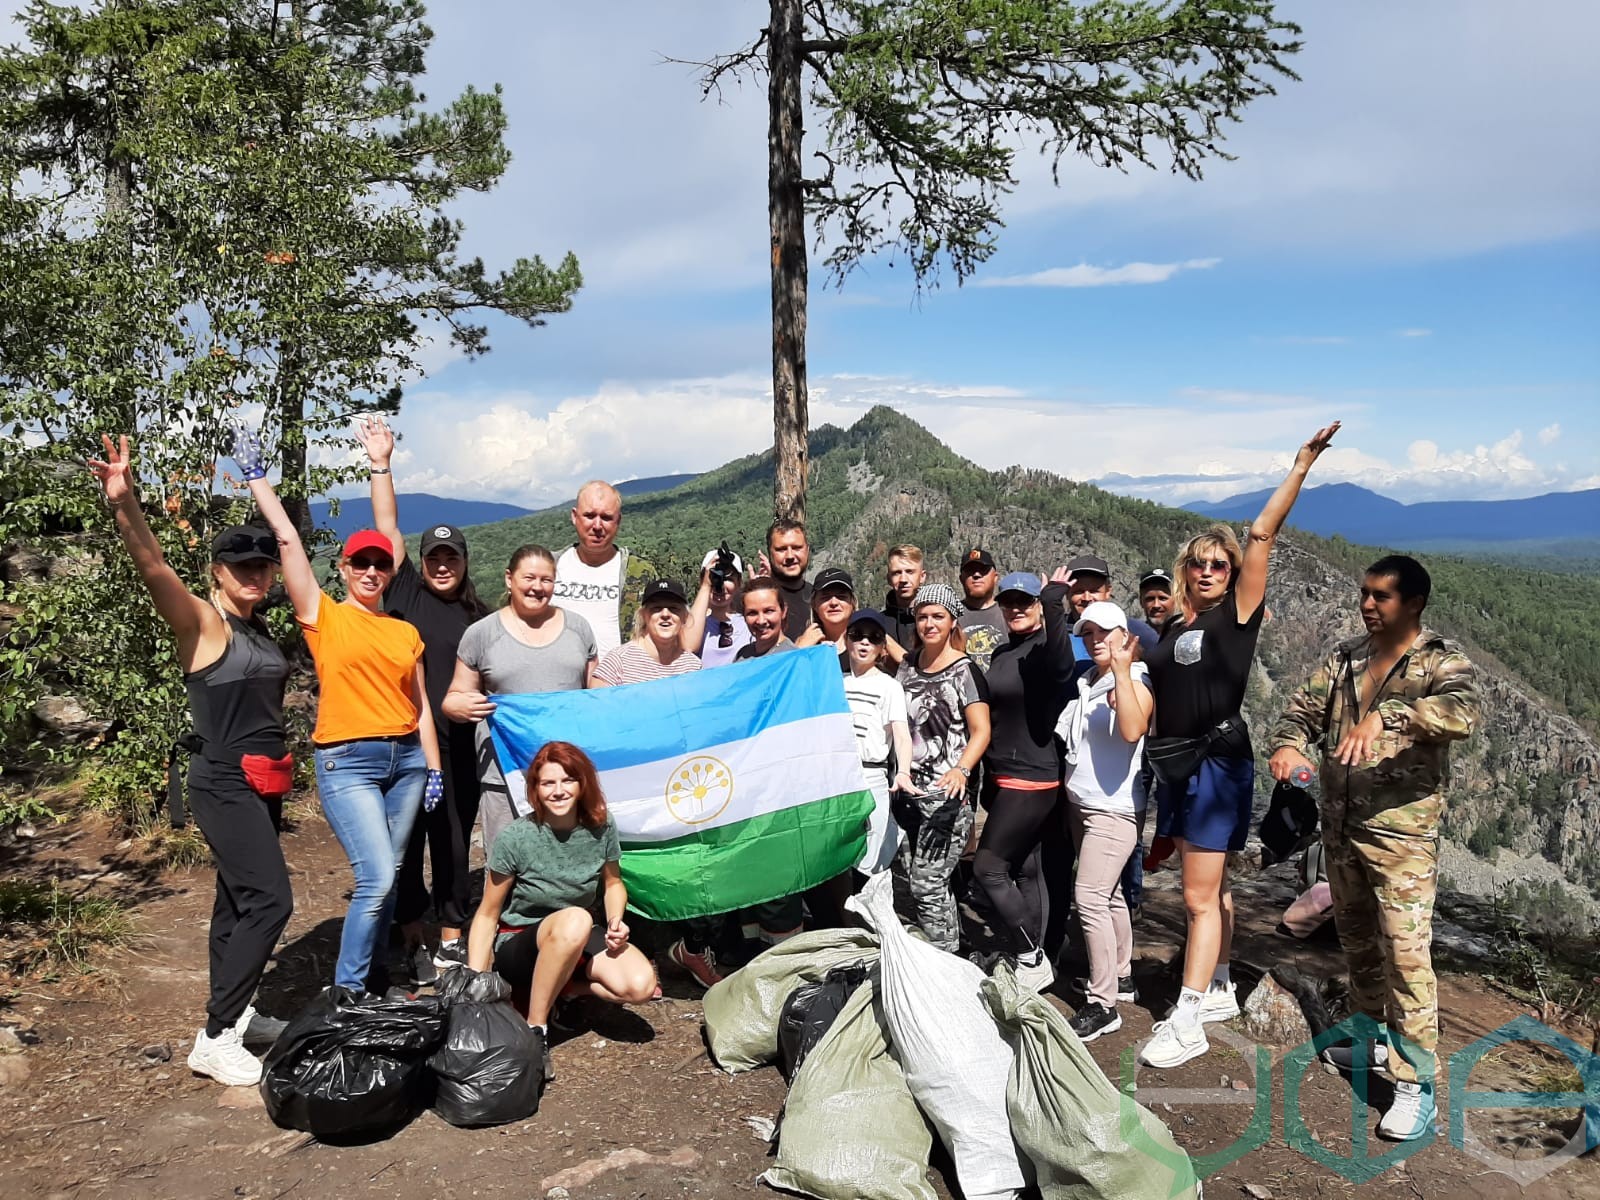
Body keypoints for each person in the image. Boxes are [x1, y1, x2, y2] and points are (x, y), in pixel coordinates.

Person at [89, 436, 292, 1087]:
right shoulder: (203, 622)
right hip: (223, 778)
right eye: (241, 566)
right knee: (271, 900)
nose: (255, 574)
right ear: (216, 572)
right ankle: (214, 1037)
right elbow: (152, 567)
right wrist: (125, 504)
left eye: (262, 565)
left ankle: (236, 1013)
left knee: (236, 903)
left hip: (262, 779)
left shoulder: (263, 627)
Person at [1138, 421, 1340, 1071]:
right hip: (1180, 768)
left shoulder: (1239, 615)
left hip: (1215, 767)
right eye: (1197, 563)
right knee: (1215, 887)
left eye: (1217, 564)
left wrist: (1301, 466)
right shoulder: (1176, 625)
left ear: (1232, 575)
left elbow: (1261, 534)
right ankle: (1220, 982)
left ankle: (1189, 1017)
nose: (1206, 570)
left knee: (1196, 896)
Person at [1267, 553, 1478, 1140]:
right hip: (1340, 830)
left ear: (1413, 603)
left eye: (1381, 596)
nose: (1367, 604)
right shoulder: (1346, 658)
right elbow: (1299, 711)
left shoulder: (1439, 660)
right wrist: (1288, 745)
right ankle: (1367, 1041)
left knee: (1406, 958)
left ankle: (1415, 1085)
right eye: (1364, 593)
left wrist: (1390, 716)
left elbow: (1462, 713)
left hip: (1401, 840)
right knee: (1359, 944)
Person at [228, 426, 444, 997]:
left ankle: (373, 977)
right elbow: (290, 544)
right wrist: (258, 482)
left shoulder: (404, 631)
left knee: (392, 878)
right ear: (344, 570)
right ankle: (348, 995)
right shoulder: (324, 615)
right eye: (360, 563)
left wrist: (434, 767)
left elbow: (418, 706)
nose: (372, 570)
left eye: (380, 564)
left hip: (407, 763)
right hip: (348, 760)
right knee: (374, 878)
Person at [356, 415, 490, 984]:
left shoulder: (480, 617)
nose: (440, 566)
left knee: (455, 843)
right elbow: (387, 529)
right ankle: (410, 933)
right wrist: (381, 463)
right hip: (405, 744)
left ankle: (452, 936)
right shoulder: (404, 589)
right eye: (432, 558)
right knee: (405, 843)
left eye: (450, 559)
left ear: (462, 564)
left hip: (459, 748)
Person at [466, 741, 658, 1081]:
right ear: (535, 790)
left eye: (567, 780)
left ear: (583, 783)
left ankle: (563, 991)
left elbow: (613, 883)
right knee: (577, 918)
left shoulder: (601, 826)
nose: (558, 791)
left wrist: (615, 920)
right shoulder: (517, 837)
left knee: (640, 987)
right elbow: (487, 914)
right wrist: (474, 982)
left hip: (577, 933)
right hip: (521, 940)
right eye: (547, 783)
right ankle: (536, 1030)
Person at [444, 545, 598, 856]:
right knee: (506, 862)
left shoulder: (578, 629)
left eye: (547, 580)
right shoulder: (481, 634)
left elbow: (594, 694)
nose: (537, 587)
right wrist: (459, 706)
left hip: (565, 776)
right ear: (509, 579)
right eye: (529, 577)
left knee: (566, 859)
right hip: (505, 772)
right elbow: (454, 696)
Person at [972, 571, 1076, 990]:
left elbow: (1063, 661)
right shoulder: (1003, 652)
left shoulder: (1045, 651)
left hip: (1031, 777)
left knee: (988, 868)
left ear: (1036, 607)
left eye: (1026, 602)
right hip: (1005, 775)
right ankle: (1038, 956)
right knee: (1028, 869)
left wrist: (1054, 601)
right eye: (1009, 602)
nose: (1016, 609)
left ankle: (1031, 957)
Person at [1057, 602, 1153, 1042]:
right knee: (1110, 895)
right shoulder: (1088, 681)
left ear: (1123, 634)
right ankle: (1122, 975)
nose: (1096, 639)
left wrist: (1121, 672)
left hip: (1114, 810)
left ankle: (1102, 1004)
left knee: (1090, 897)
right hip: (1085, 804)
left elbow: (1133, 730)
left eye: (1104, 632)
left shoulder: (1135, 679)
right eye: (1089, 632)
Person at [892, 583, 991, 951]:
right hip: (906, 794)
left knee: (928, 884)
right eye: (922, 616)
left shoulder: (966, 671)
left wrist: (961, 769)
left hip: (945, 797)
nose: (929, 623)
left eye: (938, 616)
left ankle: (946, 963)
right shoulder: (907, 667)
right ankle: (926, 952)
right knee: (907, 882)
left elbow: (982, 731)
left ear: (953, 621)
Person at [842, 610, 915, 875]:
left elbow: (901, 734)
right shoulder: (836, 682)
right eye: (857, 635)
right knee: (843, 850)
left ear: (882, 647)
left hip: (873, 774)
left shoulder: (889, 686)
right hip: (841, 776)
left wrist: (904, 771)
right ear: (846, 640)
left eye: (873, 638)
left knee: (872, 857)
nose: (864, 643)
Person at [554, 481, 629, 657]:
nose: (597, 526)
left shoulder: (638, 574)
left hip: (621, 683)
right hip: (557, 682)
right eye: (589, 515)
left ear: (618, 520)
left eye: (606, 517)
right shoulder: (547, 568)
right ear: (574, 516)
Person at [593, 578, 702, 685]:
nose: (665, 614)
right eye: (656, 608)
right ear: (643, 615)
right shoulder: (618, 661)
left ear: (685, 616)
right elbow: (596, 701)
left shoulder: (693, 667)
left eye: (674, 608)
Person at [686, 546, 752, 666]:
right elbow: (688, 647)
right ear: (702, 580)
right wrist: (706, 586)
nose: (720, 586)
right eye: (715, 578)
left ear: (739, 583)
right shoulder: (695, 625)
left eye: (728, 579)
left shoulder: (748, 624)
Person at [760, 519, 813, 642]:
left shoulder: (819, 599)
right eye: (781, 549)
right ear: (769, 553)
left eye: (797, 548)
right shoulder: (753, 602)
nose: (790, 556)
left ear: (807, 550)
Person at [956, 547, 1007, 671]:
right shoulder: (950, 615)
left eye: (983, 570)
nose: (977, 575)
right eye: (970, 571)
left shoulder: (1011, 613)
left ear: (995, 577)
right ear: (961, 579)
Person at [881, 544, 926, 663]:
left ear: (922, 576)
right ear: (889, 579)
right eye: (897, 573)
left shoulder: (935, 622)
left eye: (910, 572)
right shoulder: (879, 625)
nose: (903, 580)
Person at [735, 577, 798, 661]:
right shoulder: (742, 655)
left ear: (783, 611)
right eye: (752, 613)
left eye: (768, 611)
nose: (761, 621)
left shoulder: (793, 659)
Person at [796, 566, 857, 652]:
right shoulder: (804, 645)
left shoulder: (867, 642)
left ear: (852, 603)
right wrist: (799, 651)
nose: (834, 603)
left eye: (841, 596)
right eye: (825, 597)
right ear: (814, 604)